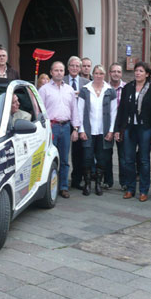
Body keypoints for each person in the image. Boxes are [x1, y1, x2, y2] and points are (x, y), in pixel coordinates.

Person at [114, 62, 151, 202]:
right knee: (128, 159)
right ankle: (130, 188)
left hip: (145, 128)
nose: (138, 73)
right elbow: (121, 110)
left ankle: (144, 190)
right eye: (136, 71)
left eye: (141, 71)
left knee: (144, 160)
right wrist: (117, 129)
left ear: (147, 74)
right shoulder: (128, 87)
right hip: (129, 127)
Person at [39, 61, 81, 199]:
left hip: (66, 126)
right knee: (50, 159)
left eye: (61, 70)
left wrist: (75, 128)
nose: (59, 73)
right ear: (51, 72)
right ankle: (49, 186)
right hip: (51, 127)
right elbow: (40, 111)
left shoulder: (69, 89)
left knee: (64, 159)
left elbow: (74, 110)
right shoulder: (44, 90)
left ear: (64, 72)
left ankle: (63, 186)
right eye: (56, 70)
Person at [78, 65, 117, 196]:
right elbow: (80, 111)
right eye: (96, 73)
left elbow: (113, 113)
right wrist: (81, 130)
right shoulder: (85, 90)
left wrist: (111, 131)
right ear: (92, 74)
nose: (98, 76)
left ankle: (98, 184)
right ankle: (88, 184)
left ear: (104, 75)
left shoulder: (110, 91)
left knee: (102, 158)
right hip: (89, 130)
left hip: (103, 131)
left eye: (101, 73)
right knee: (87, 158)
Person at [64, 56, 90, 190]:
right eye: (72, 66)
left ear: (80, 69)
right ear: (68, 67)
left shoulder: (86, 82)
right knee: (62, 152)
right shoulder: (61, 81)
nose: (74, 68)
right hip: (64, 120)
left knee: (78, 152)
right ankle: (60, 179)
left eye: (77, 66)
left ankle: (76, 180)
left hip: (79, 121)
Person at [108, 63, 127, 191]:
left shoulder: (127, 88)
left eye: (118, 71)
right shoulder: (104, 88)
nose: (116, 73)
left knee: (123, 155)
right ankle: (107, 181)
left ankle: (124, 182)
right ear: (109, 73)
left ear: (121, 74)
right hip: (107, 125)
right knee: (106, 154)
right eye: (113, 71)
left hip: (122, 126)